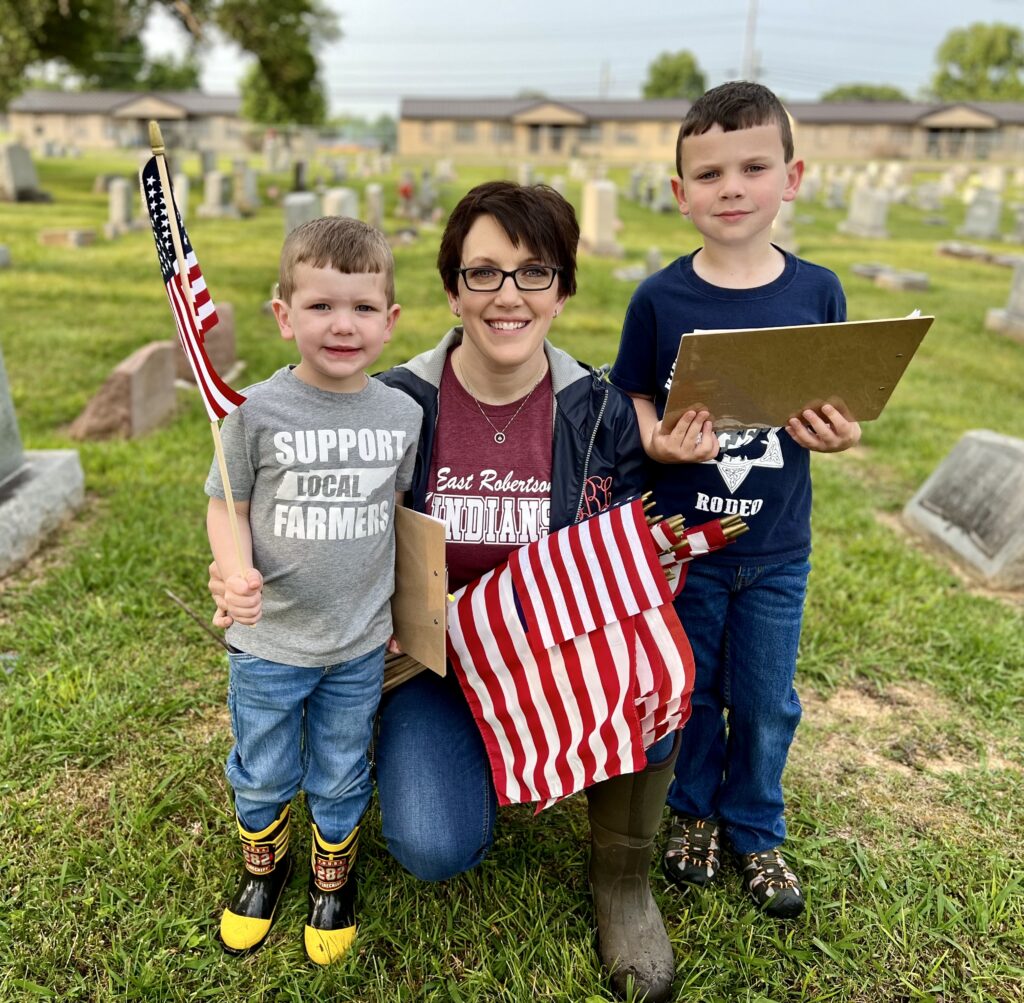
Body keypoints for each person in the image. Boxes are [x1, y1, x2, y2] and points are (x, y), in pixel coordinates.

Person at [213, 181, 681, 1002]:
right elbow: (280, 494)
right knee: (434, 844)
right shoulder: (391, 401)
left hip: (546, 653)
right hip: (430, 665)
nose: (508, 295)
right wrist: (235, 565)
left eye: (534, 273)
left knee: (656, 666)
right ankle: (381, 747)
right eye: (484, 272)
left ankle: (622, 880)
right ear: (451, 287)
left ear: (564, 289)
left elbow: (634, 543)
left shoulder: (599, 410)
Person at [610, 81, 862, 919]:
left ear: (791, 178)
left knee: (763, 696)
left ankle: (754, 825)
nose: (732, 187)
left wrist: (838, 431)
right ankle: (691, 814)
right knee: (692, 689)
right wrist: (652, 437)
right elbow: (635, 392)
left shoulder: (817, 292)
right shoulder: (660, 298)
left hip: (778, 544)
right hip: (686, 540)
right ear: (681, 195)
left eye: (754, 166)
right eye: (709, 173)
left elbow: (833, 401)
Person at [206, 216, 422, 964]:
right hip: (270, 641)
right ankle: (264, 868)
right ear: (283, 314)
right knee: (264, 764)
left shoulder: (402, 416)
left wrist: (403, 608)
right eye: (321, 305)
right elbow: (226, 503)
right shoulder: (253, 412)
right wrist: (235, 569)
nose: (342, 324)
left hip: (358, 641)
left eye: (363, 308)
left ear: (390, 321)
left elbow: (398, 520)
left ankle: (335, 878)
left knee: (340, 763)